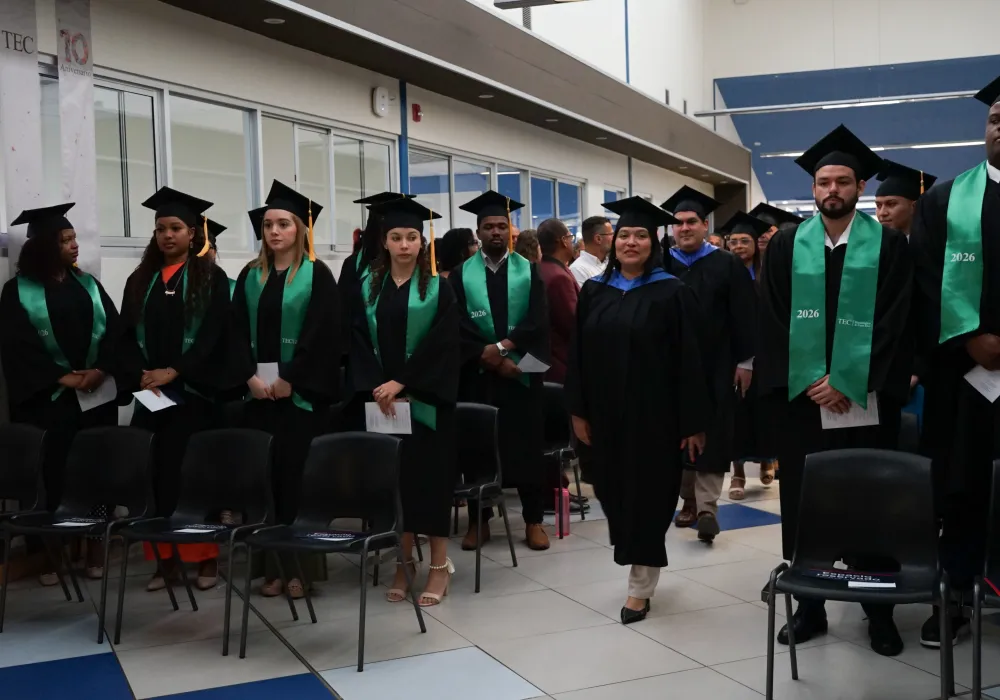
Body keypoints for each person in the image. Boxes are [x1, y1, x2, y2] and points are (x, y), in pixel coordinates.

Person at [757, 124, 914, 656]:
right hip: (805, 404)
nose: (832, 190)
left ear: (860, 188)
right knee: (806, 502)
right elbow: (774, 320)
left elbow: (898, 319)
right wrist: (812, 381)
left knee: (872, 502)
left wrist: (850, 379)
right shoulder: (784, 248)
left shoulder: (889, 247)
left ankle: (879, 611)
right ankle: (811, 605)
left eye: (843, 181)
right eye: (824, 181)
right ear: (813, 189)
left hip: (865, 402)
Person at [566, 196, 708, 625]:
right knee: (611, 492)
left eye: (640, 235)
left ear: (654, 241)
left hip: (655, 418)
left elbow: (690, 361)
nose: (630, 242)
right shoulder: (594, 291)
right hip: (605, 416)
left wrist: (693, 422)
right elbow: (579, 355)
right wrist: (578, 410)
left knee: (647, 498)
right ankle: (636, 560)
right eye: (623, 234)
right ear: (612, 242)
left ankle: (639, 587)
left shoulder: (672, 292)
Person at [910, 74, 1000, 649]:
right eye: (995, 118)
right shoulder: (946, 198)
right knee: (961, 489)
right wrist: (970, 342)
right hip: (964, 375)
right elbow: (924, 282)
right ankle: (956, 595)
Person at [0, 203, 122, 583]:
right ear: (43, 247)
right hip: (46, 403)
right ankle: (48, 553)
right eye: (65, 240)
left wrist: (99, 370)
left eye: (73, 238)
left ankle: (94, 547)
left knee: (95, 472)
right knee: (48, 474)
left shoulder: (87, 284)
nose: (73, 246)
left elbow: (116, 332)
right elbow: (16, 346)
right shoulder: (17, 291)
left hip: (93, 400)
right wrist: (62, 378)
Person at [230, 181, 341, 598]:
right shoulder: (249, 275)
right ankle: (270, 569)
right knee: (265, 484)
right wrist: (251, 379)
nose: (274, 231)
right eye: (267, 225)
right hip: (259, 397)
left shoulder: (317, 274)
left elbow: (323, 336)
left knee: (298, 484)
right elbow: (236, 334)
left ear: (300, 229)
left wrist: (290, 377)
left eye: (283, 224)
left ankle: (300, 570)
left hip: (300, 398)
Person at [349, 197, 460, 607]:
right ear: (385, 241)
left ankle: (438, 567)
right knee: (396, 486)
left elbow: (444, 346)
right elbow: (358, 341)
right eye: (396, 237)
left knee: (430, 486)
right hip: (385, 405)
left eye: (412, 237)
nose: (404, 244)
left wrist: (403, 381)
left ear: (422, 242)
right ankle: (402, 563)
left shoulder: (438, 288)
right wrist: (378, 385)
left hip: (428, 405)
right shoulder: (368, 286)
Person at [121, 187, 231, 592]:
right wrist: (143, 373)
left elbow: (216, 337)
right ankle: (163, 561)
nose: (167, 235)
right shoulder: (141, 279)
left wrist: (177, 370)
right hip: (151, 398)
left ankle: (205, 560)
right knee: (157, 476)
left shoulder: (211, 280)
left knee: (197, 477)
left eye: (176, 228)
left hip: (195, 397)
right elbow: (126, 335)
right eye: (161, 229)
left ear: (192, 233)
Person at [450, 190, 551, 552]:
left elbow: (539, 322)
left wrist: (507, 352)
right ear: (477, 232)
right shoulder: (460, 276)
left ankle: (534, 521)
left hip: (520, 375)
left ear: (510, 231)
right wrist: (484, 354)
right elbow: (457, 325)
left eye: (501, 226)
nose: (495, 232)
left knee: (527, 449)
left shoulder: (529, 272)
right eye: (488, 226)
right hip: (479, 376)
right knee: (477, 451)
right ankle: (479, 522)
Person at [661, 186, 756, 542]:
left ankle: (707, 509)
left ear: (705, 225)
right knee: (677, 431)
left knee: (714, 433)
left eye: (691, 222)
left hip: (716, 363)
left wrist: (746, 362)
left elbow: (744, 315)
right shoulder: (662, 264)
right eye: (678, 223)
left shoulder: (726, 263)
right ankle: (687, 501)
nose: (684, 228)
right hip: (671, 365)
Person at [716, 211, 778, 498]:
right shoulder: (722, 273)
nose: (738, 246)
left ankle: (768, 459)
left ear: (756, 243)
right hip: (734, 355)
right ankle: (737, 474)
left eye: (744, 241)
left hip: (767, 354)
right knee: (737, 415)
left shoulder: (770, 274)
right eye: (732, 241)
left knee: (766, 411)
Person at [536, 218, 578, 384]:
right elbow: (572, 323)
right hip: (559, 361)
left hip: (542, 359)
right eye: (570, 237)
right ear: (563, 241)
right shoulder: (559, 277)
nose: (572, 242)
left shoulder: (540, 268)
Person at [875, 160, 938, 238]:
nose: (882, 213)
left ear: (915, 206)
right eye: (878, 206)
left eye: (891, 204)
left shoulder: (939, 244)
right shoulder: (874, 246)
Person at [570, 215, 612, 287]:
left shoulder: (610, 264)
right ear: (598, 239)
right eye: (611, 234)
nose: (615, 238)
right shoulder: (578, 269)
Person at [202, 219, 236, 298]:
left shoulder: (232, 287)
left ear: (214, 252)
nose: (202, 252)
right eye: (198, 246)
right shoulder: (179, 285)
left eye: (207, 247)